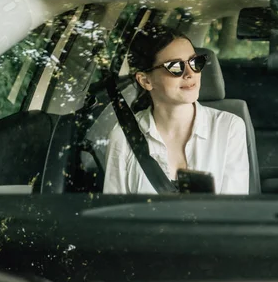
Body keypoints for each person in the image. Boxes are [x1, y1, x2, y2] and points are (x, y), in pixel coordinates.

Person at [104, 24, 249, 195]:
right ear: (145, 81)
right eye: (175, 67)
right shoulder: (123, 137)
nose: (190, 73)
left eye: (195, 62)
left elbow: (233, 211)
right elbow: (114, 215)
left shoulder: (229, 127)